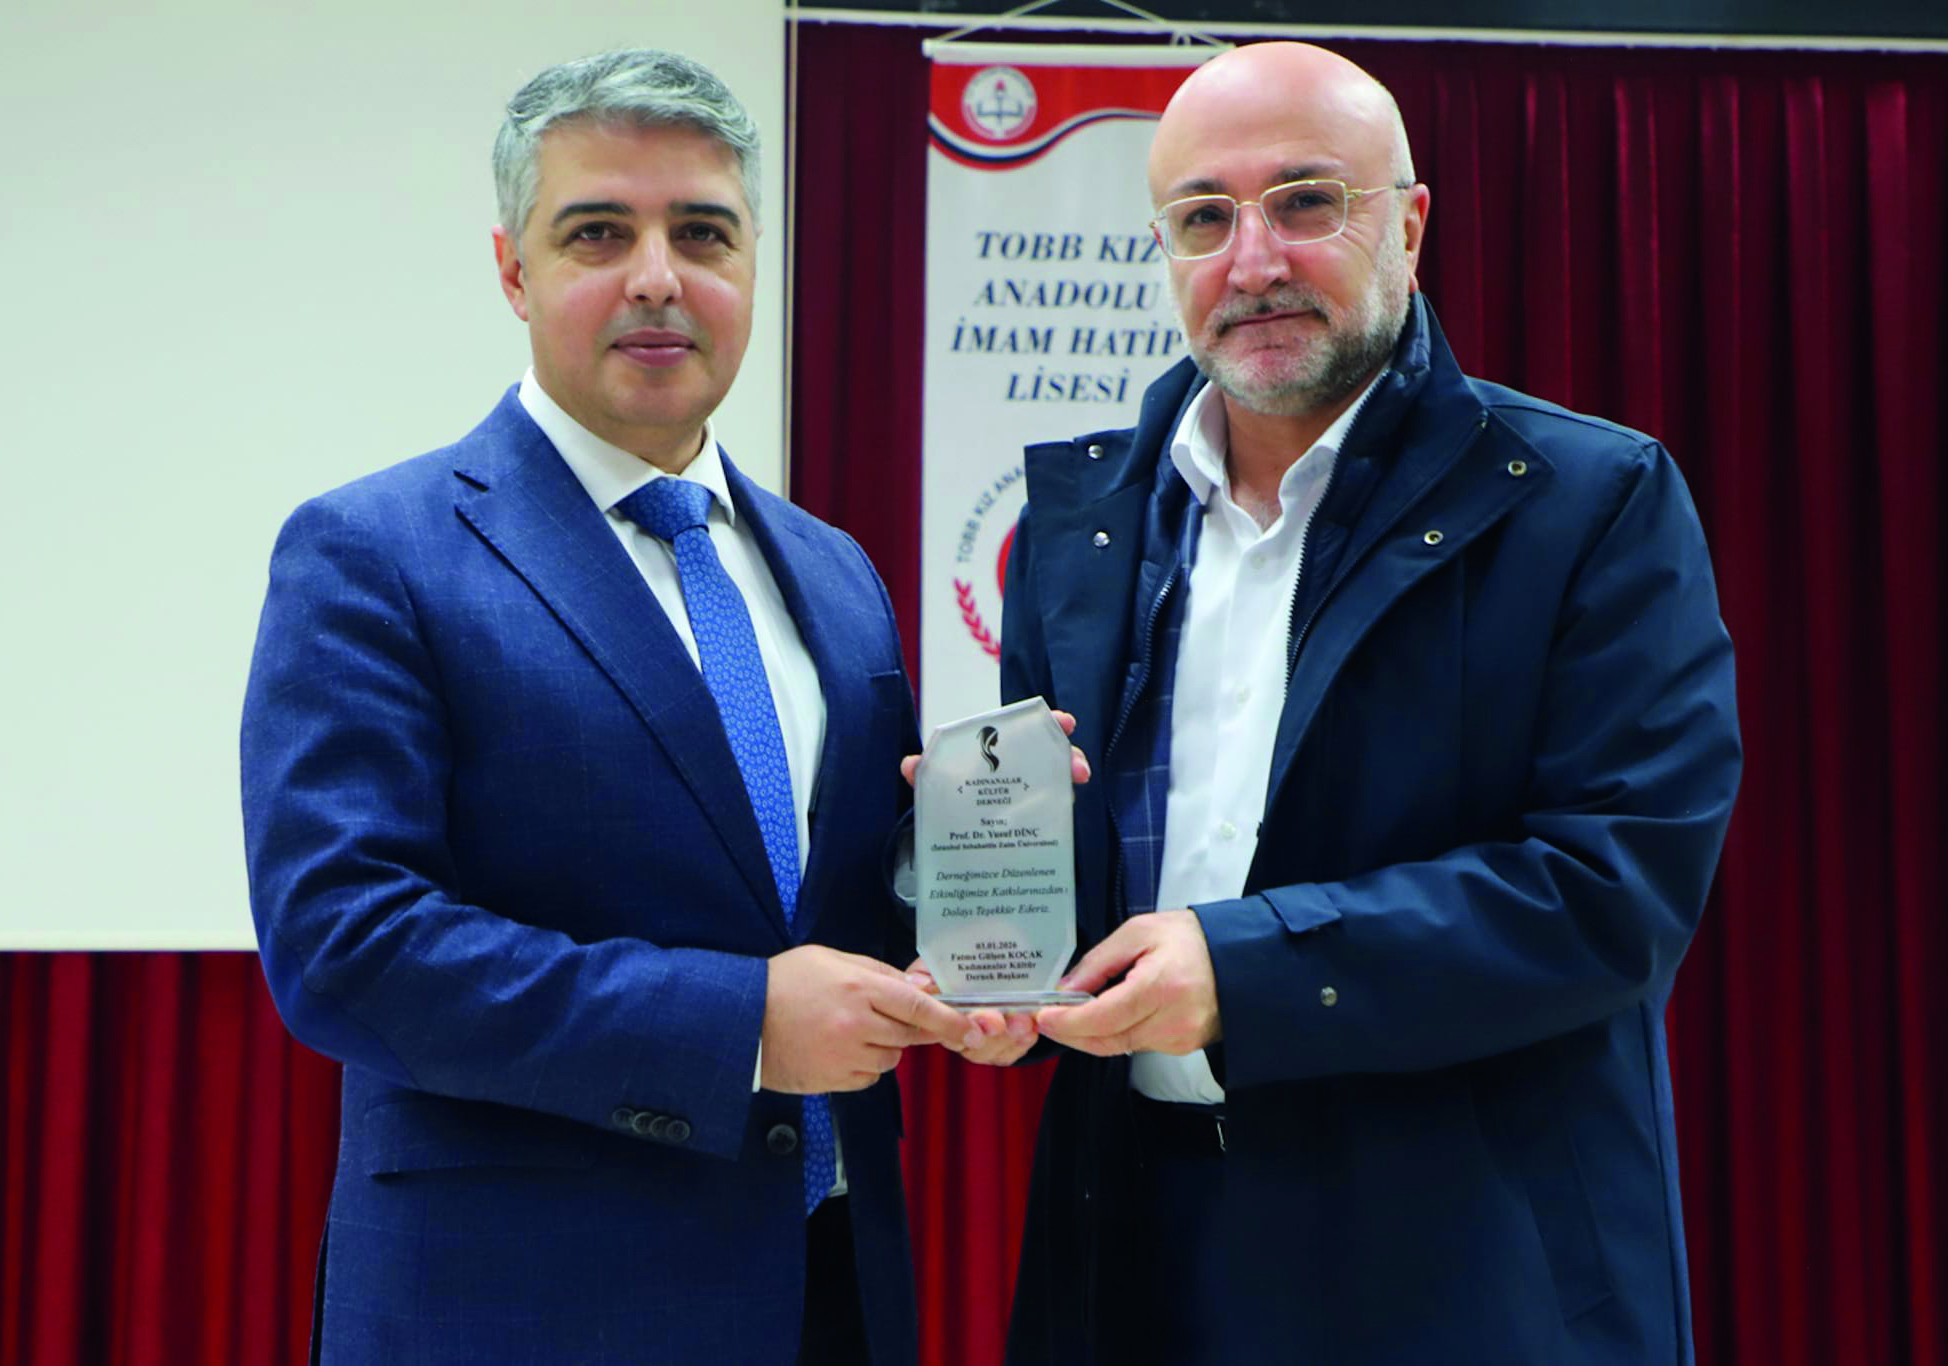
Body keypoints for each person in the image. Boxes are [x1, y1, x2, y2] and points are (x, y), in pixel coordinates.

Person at [974, 41, 1742, 1365]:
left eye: (1306, 202)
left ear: (1411, 224)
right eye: (1204, 218)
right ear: (1163, 251)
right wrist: (975, 916)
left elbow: (1612, 889)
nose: (1253, 260)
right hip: (1130, 1253)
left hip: (1462, 1269)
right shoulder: (1078, 524)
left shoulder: (1588, 501)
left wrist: (1244, 970)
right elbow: (1069, 869)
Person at [240, 49, 971, 1366]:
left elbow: (832, 899)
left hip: (830, 1291)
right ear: (512, 270)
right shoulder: (373, 550)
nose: (657, 276)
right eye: (597, 232)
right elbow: (346, 945)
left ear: (752, 264)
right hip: (524, 1310)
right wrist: (742, 1024)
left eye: (703, 232)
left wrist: (989, 900)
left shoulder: (833, 570)